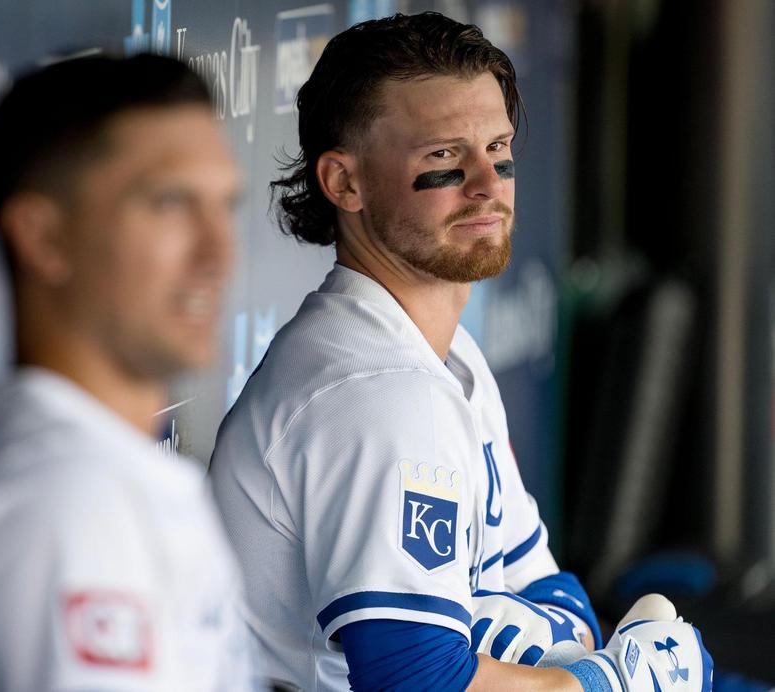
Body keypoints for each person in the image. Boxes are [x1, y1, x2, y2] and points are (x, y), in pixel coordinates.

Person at [208, 12, 711, 692]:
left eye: (497, 148)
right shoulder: (378, 394)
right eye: (444, 157)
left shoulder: (447, 358)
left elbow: (558, 600)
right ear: (344, 183)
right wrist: (602, 684)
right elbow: (419, 682)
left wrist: (508, 635)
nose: (487, 183)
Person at [0, 54, 257, 691]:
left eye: (225, 207)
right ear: (44, 239)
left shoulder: (99, 466)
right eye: (170, 203)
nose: (219, 251)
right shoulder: (66, 501)